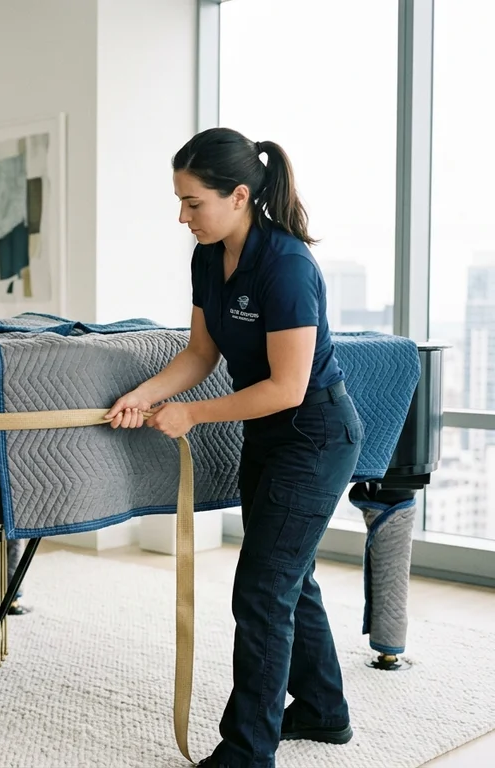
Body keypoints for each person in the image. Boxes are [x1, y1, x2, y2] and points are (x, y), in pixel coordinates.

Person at [104, 127, 363, 768]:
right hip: (270, 434)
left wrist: (190, 414)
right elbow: (200, 353)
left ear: (240, 195)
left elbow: (288, 385)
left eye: (193, 202)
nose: (182, 216)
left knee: (261, 590)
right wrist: (146, 394)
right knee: (289, 578)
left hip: (316, 433)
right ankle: (324, 712)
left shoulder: (288, 265)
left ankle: (248, 752)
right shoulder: (207, 256)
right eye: (179, 201)